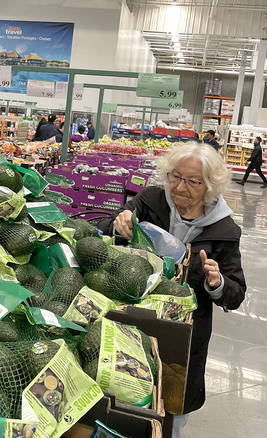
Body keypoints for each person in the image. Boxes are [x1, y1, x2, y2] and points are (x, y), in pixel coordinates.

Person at [97, 142, 246, 438]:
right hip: (133, 318)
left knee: (172, 410)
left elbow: (237, 292)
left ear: (210, 186)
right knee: (124, 396)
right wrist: (119, 225)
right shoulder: (150, 200)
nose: (180, 187)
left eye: (193, 181)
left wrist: (216, 282)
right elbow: (103, 231)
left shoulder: (224, 230)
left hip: (182, 337)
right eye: (175, 176)